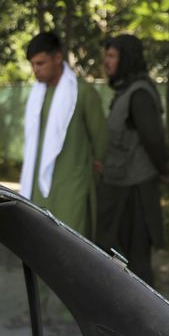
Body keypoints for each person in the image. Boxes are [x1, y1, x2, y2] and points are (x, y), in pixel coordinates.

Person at [96, 34, 169, 287]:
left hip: (137, 192)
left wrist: (164, 169)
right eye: (105, 56)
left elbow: (153, 139)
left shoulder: (139, 94)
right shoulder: (124, 92)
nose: (106, 62)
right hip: (119, 188)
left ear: (126, 59)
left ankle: (141, 321)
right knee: (115, 257)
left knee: (136, 262)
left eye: (111, 56)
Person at [19, 31, 107, 239]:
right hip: (37, 190)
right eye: (33, 64)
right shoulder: (36, 96)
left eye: (40, 63)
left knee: (71, 250)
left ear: (58, 57)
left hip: (72, 191)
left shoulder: (83, 93)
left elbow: (101, 143)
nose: (35, 70)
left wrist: (88, 170)